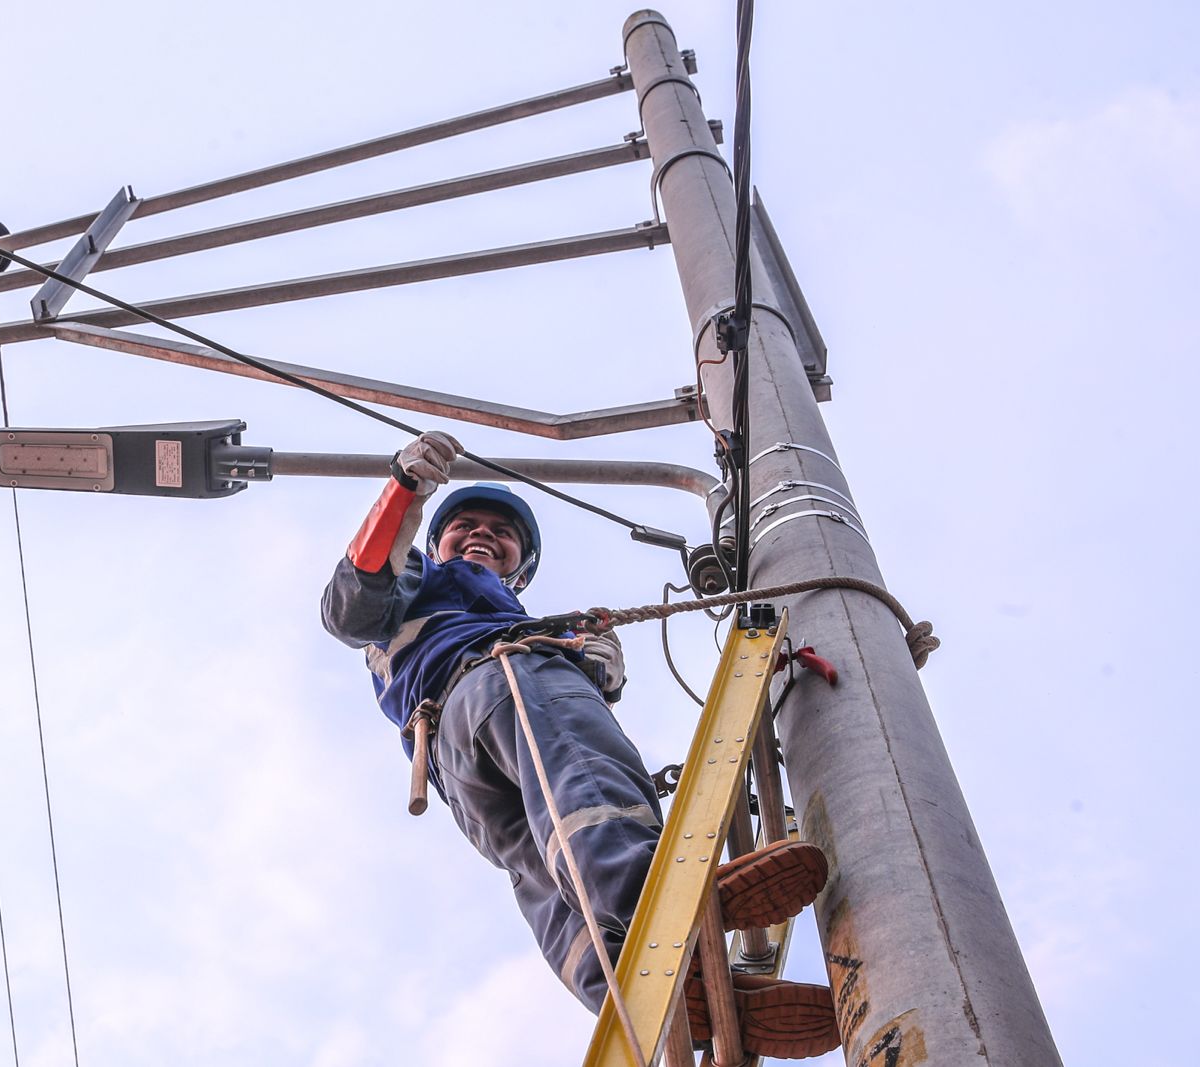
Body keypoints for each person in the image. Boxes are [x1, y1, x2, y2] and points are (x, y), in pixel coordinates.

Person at [321, 432, 841, 1059]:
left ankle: (646, 985)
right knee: (584, 780)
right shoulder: (420, 575)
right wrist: (405, 492)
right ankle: (657, 895)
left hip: (453, 767)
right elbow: (351, 603)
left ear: (521, 562)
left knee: (543, 872)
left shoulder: (507, 616)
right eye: (465, 525)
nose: (481, 534)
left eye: (500, 531)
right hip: (505, 681)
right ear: (436, 540)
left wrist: (592, 661)